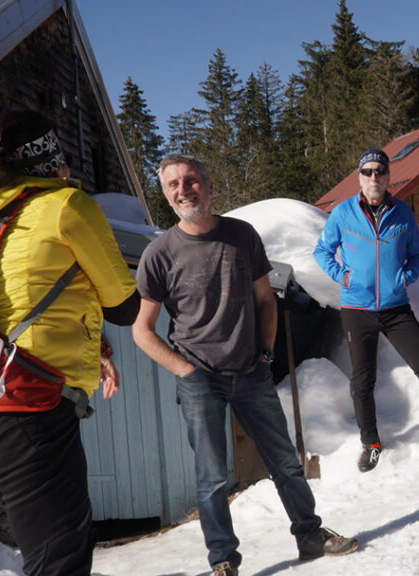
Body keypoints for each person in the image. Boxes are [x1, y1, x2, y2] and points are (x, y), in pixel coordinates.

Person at [134, 155, 358, 576]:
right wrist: (185, 371)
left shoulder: (242, 236)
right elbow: (142, 331)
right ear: (166, 194)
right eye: (173, 184)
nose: (184, 189)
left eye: (191, 180)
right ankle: (223, 559)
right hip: (200, 379)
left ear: (209, 185)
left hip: (251, 371)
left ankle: (309, 536)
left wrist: (267, 352)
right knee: (213, 477)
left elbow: (265, 300)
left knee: (286, 463)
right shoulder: (159, 254)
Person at [0, 110, 140, 576]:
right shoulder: (66, 205)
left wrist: (98, 347)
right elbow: (124, 306)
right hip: (30, 406)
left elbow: (16, 297)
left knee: (61, 546)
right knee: (60, 562)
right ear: (55, 163)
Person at [314, 148, 419, 472]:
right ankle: (371, 443)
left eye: (380, 171)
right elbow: (323, 251)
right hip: (357, 309)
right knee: (363, 381)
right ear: (359, 176)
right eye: (368, 171)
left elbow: (417, 253)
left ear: (388, 175)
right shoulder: (343, 213)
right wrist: (344, 276)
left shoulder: (403, 213)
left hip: (396, 308)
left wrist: (405, 277)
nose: (374, 177)